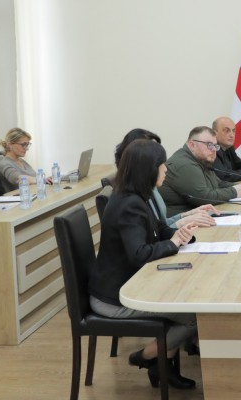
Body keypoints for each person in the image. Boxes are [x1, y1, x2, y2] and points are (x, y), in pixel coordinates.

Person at [89, 139, 198, 389]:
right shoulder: (129, 204)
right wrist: (173, 244)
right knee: (193, 316)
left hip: (127, 285)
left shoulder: (137, 196)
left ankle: (161, 365)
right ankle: (147, 356)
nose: (166, 169)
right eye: (162, 165)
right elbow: (138, 254)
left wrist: (181, 235)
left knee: (186, 303)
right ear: (148, 169)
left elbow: (158, 229)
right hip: (115, 298)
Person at [114, 128, 218, 228]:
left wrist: (187, 215)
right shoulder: (131, 201)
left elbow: (161, 224)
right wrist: (183, 222)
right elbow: (154, 235)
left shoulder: (149, 187)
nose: (165, 168)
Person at [158, 126, 241, 217]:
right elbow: (204, 198)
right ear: (192, 145)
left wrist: (240, 187)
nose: (214, 150)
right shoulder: (185, 165)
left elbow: (218, 183)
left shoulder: (201, 160)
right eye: (209, 145)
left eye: (215, 146)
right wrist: (234, 191)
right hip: (179, 221)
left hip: (196, 216)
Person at [211, 116, 241, 182]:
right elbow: (224, 176)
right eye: (226, 131)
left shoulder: (229, 148)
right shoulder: (211, 150)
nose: (232, 135)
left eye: (233, 131)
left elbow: (239, 164)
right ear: (214, 133)